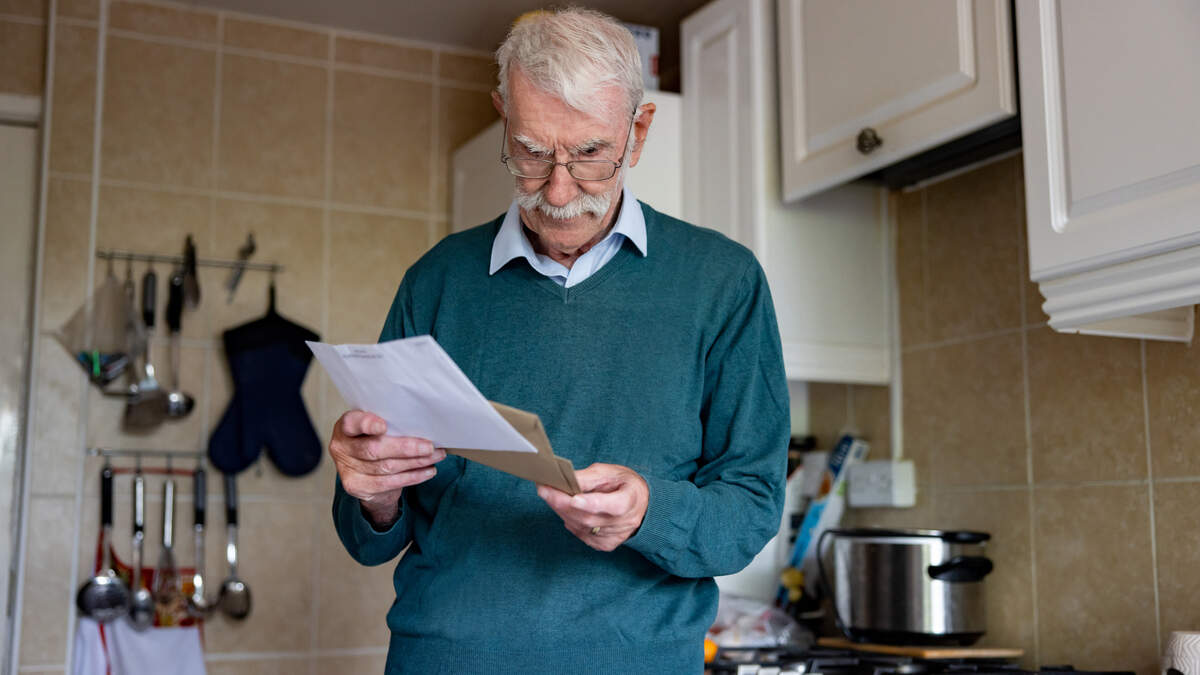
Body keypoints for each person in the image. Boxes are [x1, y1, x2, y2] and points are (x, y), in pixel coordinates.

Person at [328, 7, 789, 673]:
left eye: (590, 153)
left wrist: (648, 512)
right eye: (532, 152)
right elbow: (368, 539)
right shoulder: (436, 281)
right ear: (503, 119)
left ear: (637, 132)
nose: (559, 187)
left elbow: (750, 507)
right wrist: (372, 492)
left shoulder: (724, 282)